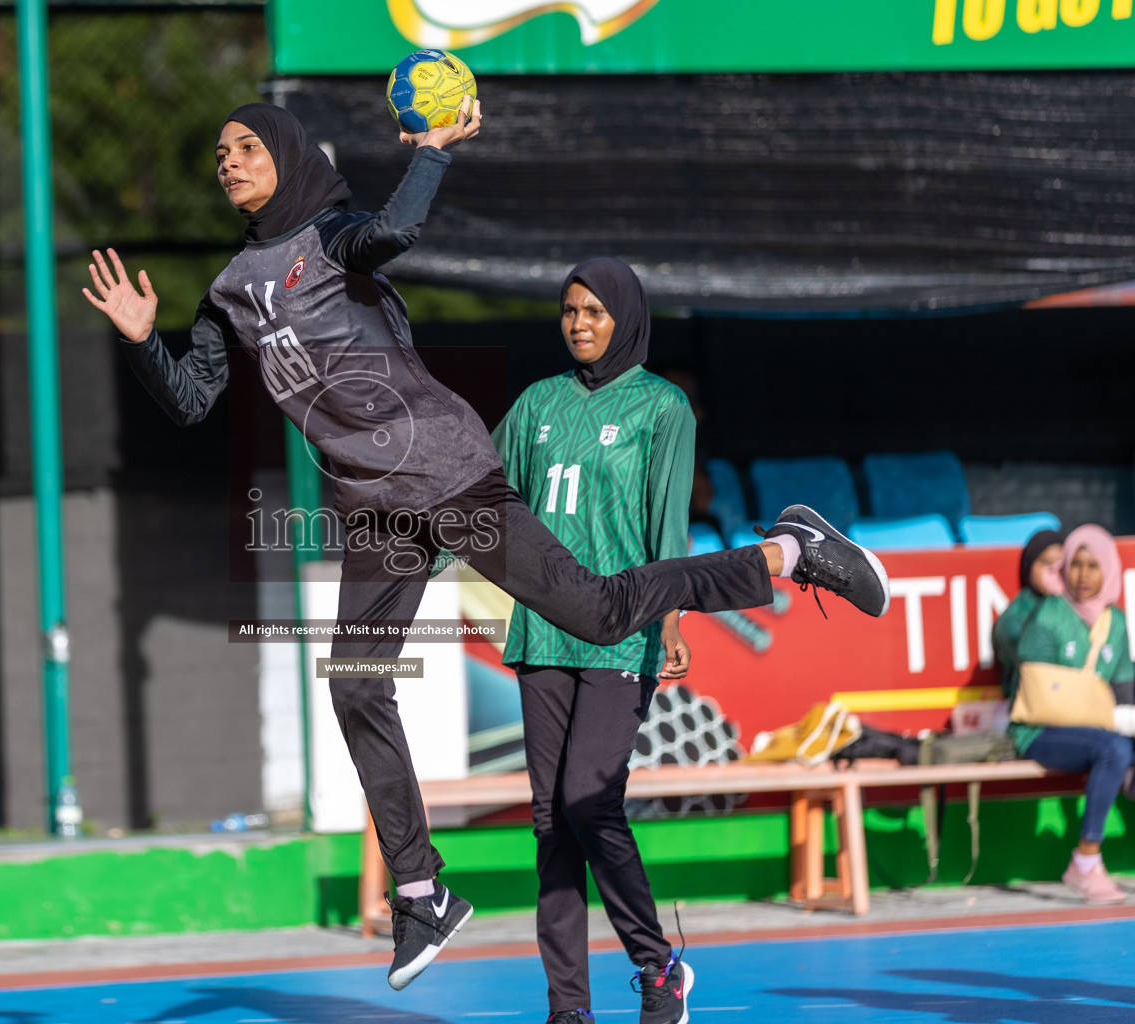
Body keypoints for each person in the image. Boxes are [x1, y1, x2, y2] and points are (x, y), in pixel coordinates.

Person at [80, 100, 891, 990]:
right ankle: (423, 893)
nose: (228, 162)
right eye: (220, 152)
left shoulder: (333, 235)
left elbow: (395, 231)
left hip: (449, 475)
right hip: (376, 508)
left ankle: (789, 552)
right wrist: (138, 340)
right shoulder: (232, 289)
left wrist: (431, 153)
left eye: (246, 148)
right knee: (355, 684)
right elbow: (193, 398)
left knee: (601, 609)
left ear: (285, 157)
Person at [492, 257, 694, 1024]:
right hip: (542, 631)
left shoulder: (663, 408)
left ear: (626, 318)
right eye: (570, 310)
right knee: (551, 820)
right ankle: (567, 1010)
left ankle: (657, 966)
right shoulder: (537, 403)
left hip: (621, 629)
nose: (579, 322)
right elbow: (481, 493)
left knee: (589, 798)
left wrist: (670, 617)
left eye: (595, 311)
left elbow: (667, 525)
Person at [1008, 524, 1132, 904]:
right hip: (1038, 732)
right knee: (1114, 750)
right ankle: (1084, 864)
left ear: (1109, 569)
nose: (1082, 574)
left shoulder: (1116, 623)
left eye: (1093, 565)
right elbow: (1036, 690)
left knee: (1119, 748)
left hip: (1096, 731)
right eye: (1075, 564)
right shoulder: (1049, 613)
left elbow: (1125, 691)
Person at [991, 528, 1066, 698]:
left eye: (1061, 563)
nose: (1054, 570)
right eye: (1046, 562)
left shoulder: (1073, 608)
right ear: (1029, 566)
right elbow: (1039, 665)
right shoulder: (1013, 619)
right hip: (1031, 713)